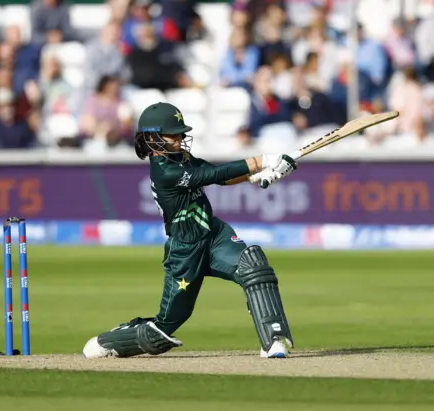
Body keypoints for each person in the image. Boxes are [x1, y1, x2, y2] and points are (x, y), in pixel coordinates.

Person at [82, 102, 298, 359]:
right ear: (152, 138)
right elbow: (210, 174)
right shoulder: (164, 170)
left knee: (254, 265)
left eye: (181, 133)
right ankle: (109, 341)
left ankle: (274, 340)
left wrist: (260, 173)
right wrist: (263, 159)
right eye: (173, 134)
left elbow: (216, 175)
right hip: (185, 252)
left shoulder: (180, 158)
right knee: (162, 332)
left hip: (214, 236)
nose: (180, 139)